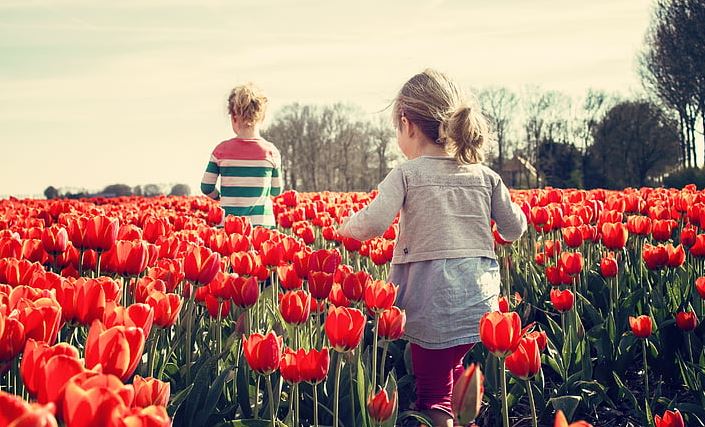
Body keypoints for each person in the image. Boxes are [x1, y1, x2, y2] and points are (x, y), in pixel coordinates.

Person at [337, 69, 526, 427]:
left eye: (397, 128)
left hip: (432, 299)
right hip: (480, 302)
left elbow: (374, 223)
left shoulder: (407, 174)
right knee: (454, 369)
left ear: (407, 124)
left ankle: (445, 419)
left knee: (434, 392)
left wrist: (346, 226)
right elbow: (514, 229)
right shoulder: (486, 176)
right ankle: (463, 417)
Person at [200, 83, 283, 228]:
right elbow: (277, 190)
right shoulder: (271, 152)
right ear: (262, 117)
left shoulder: (221, 151)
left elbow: (206, 186)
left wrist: (221, 198)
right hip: (261, 225)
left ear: (233, 117)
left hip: (229, 226)